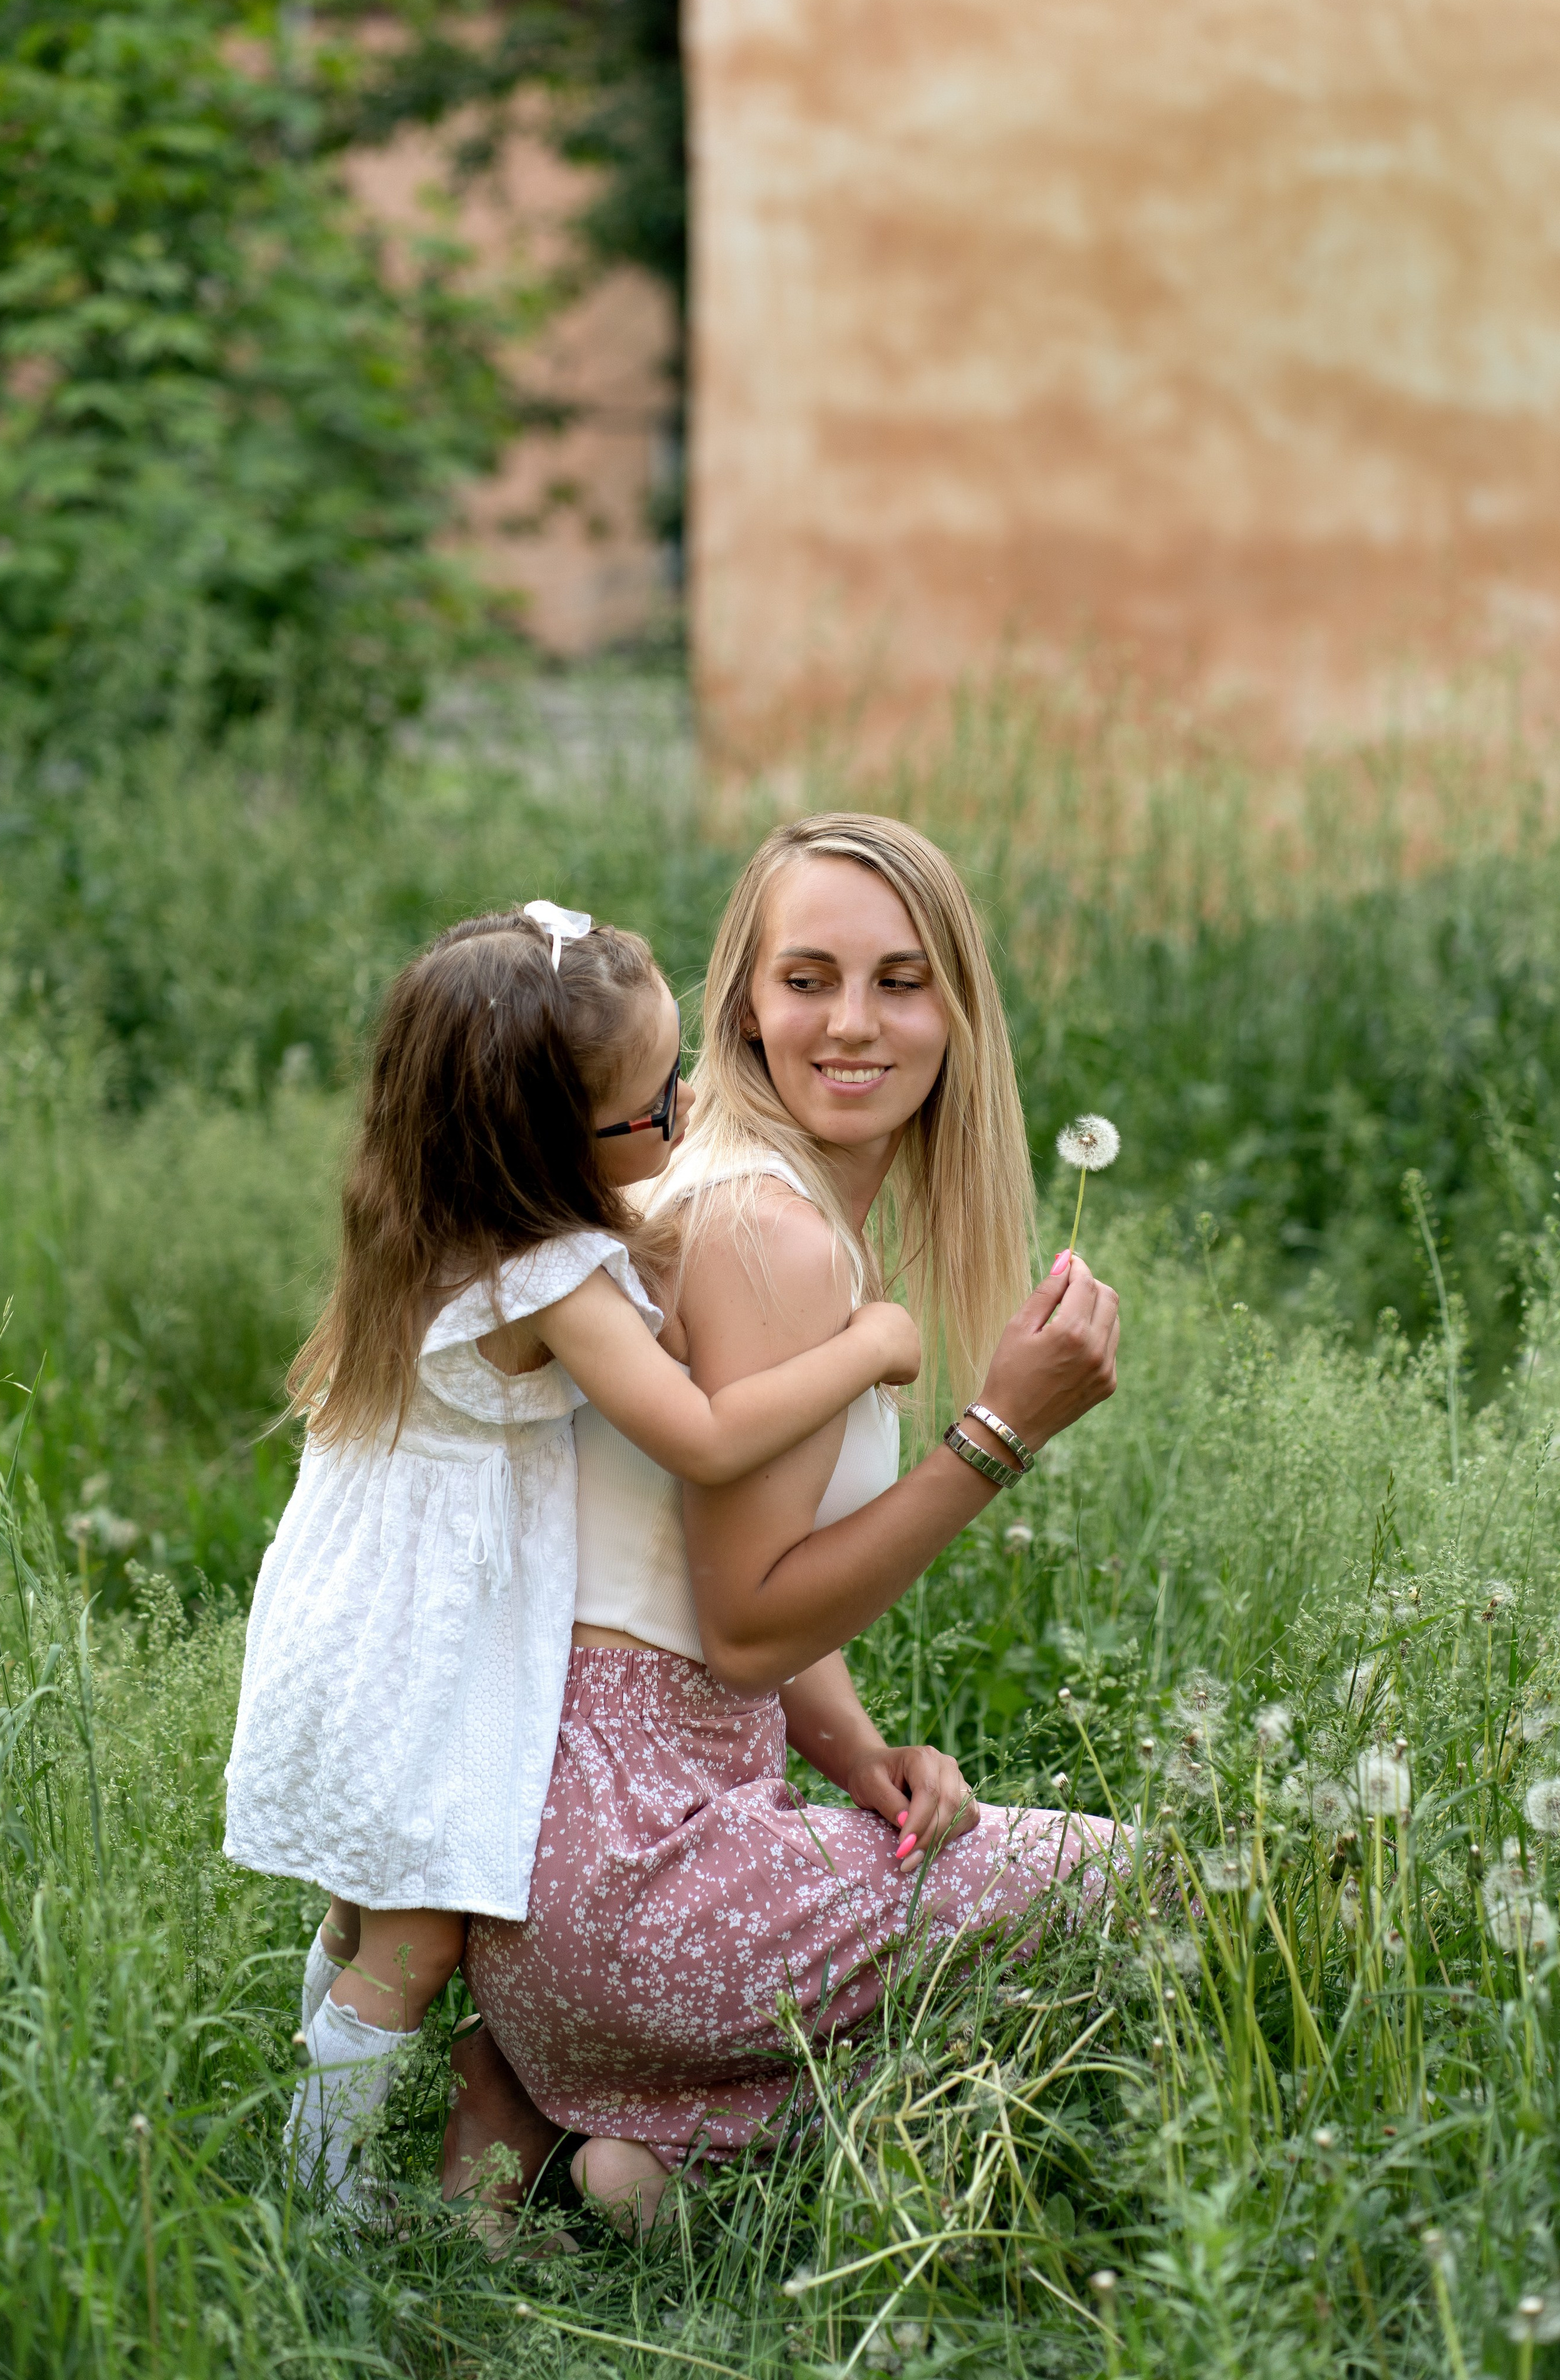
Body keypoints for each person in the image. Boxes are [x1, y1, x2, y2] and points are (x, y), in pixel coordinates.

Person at [448, 816, 1122, 2235]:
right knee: (1139, 1891)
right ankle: (703, 2138)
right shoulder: (769, 1231)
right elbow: (749, 1626)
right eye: (807, 979)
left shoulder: (728, 1194)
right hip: (637, 1884)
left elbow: (706, 1575)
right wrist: (997, 1434)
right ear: (744, 1007)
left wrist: (857, 1754)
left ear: (957, 1008)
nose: (853, 1023)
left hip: (556, 1891)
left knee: (978, 1881)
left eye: (900, 981)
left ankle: (649, 2157)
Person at [222, 904, 922, 2205]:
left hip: (354, 1624)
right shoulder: (544, 1280)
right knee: (416, 1942)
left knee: (363, 1913)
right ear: (546, 1145)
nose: (688, 1104)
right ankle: (322, 2205)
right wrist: (869, 1344)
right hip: (429, 1657)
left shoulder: (435, 1225)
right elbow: (703, 1436)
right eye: (654, 1099)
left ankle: (307, 2118)